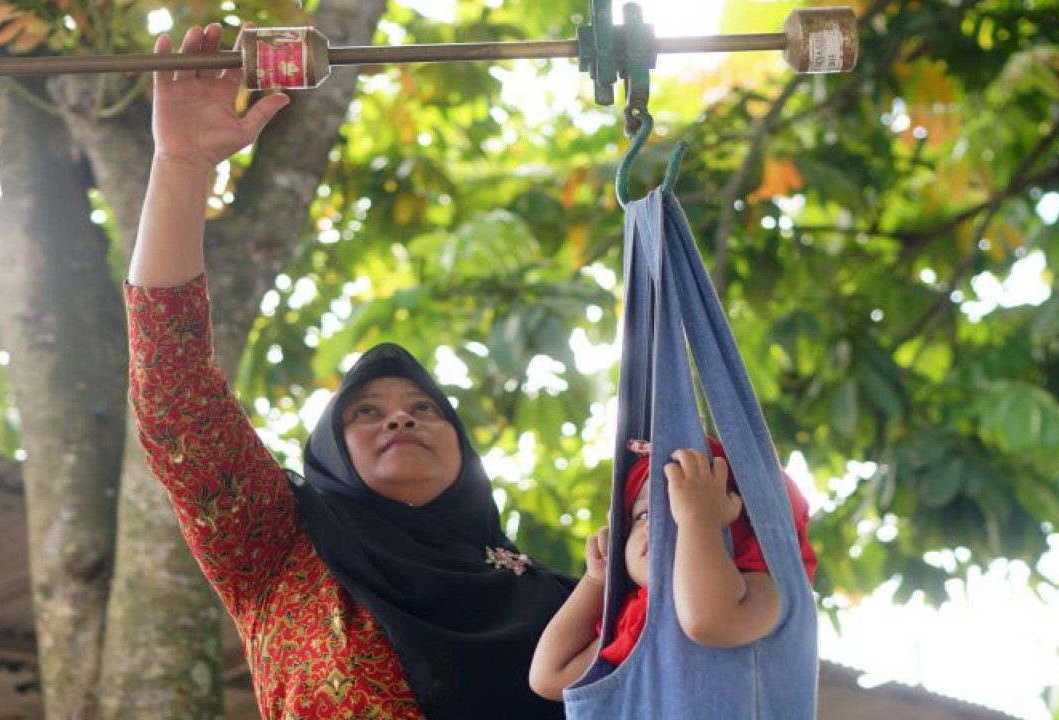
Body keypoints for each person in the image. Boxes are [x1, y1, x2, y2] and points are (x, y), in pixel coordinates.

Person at [127, 23, 573, 720]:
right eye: (364, 413)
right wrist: (181, 167)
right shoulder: (277, 547)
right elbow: (174, 391)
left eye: (425, 409)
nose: (401, 416)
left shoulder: (566, 600)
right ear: (329, 454)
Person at [528, 437, 818, 701]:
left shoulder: (765, 588)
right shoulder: (637, 618)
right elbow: (551, 676)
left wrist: (698, 519)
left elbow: (708, 619)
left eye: (681, 506)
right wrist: (598, 581)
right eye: (643, 514)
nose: (658, 523)